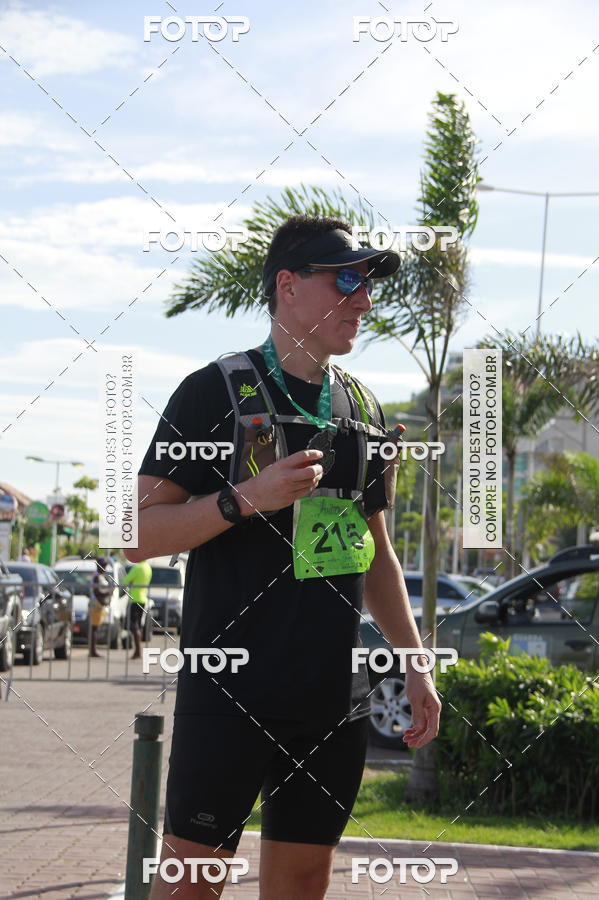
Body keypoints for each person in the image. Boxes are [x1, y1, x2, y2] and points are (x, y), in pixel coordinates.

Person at [128, 215, 441, 899]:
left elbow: (377, 554)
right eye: (348, 280)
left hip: (331, 698)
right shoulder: (213, 392)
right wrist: (246, 498)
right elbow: (138, 531)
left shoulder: (364, 409)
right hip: (231, 691)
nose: (363, 299)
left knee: (300, 887)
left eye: (367, 284)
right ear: (288, 286)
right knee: (190, 886)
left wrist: (415, 665)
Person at [121, 558, 153, 659]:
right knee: (138, 625)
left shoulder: (138, 568)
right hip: (143, 599)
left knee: (134, 626)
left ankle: (138, 651)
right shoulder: (148, 568)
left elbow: (125, 581)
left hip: (135, 599)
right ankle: (138, 650)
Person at [89, 556, 111, 657]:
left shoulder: (99, 576)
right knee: (94, 628)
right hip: (96, 603)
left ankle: (93, 650)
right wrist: (108, 591)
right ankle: (93, 650)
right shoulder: (97, 576)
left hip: (98, 603)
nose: (105, 568)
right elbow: (97, 591)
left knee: (95, 628)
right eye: (103, 566)